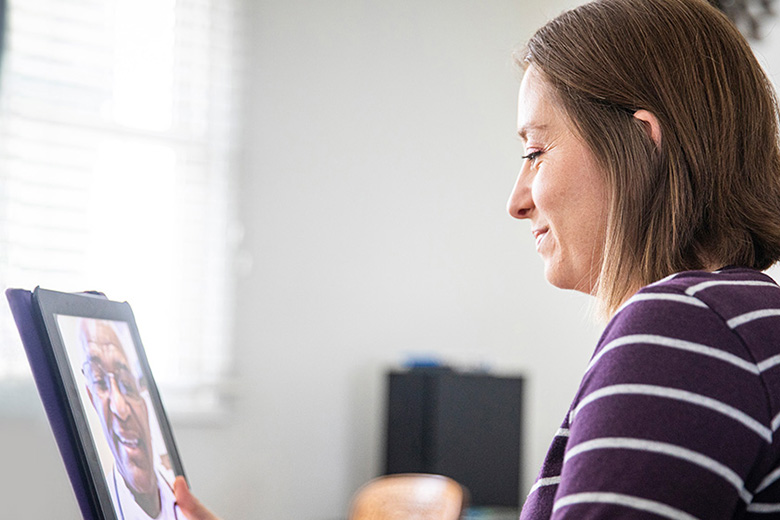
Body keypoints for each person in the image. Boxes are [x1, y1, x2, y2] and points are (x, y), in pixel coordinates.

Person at [174, 0, 780, 518]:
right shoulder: (737, 324)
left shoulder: (685, 328)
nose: (516, 201)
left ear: (642, 146)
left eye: (536, 150)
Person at [79, 319, 179, 520]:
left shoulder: (175, 489)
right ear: (91, 397)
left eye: (127, 384)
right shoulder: (103, 505)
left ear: (146, 392)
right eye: (99, 381)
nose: (119, 409)